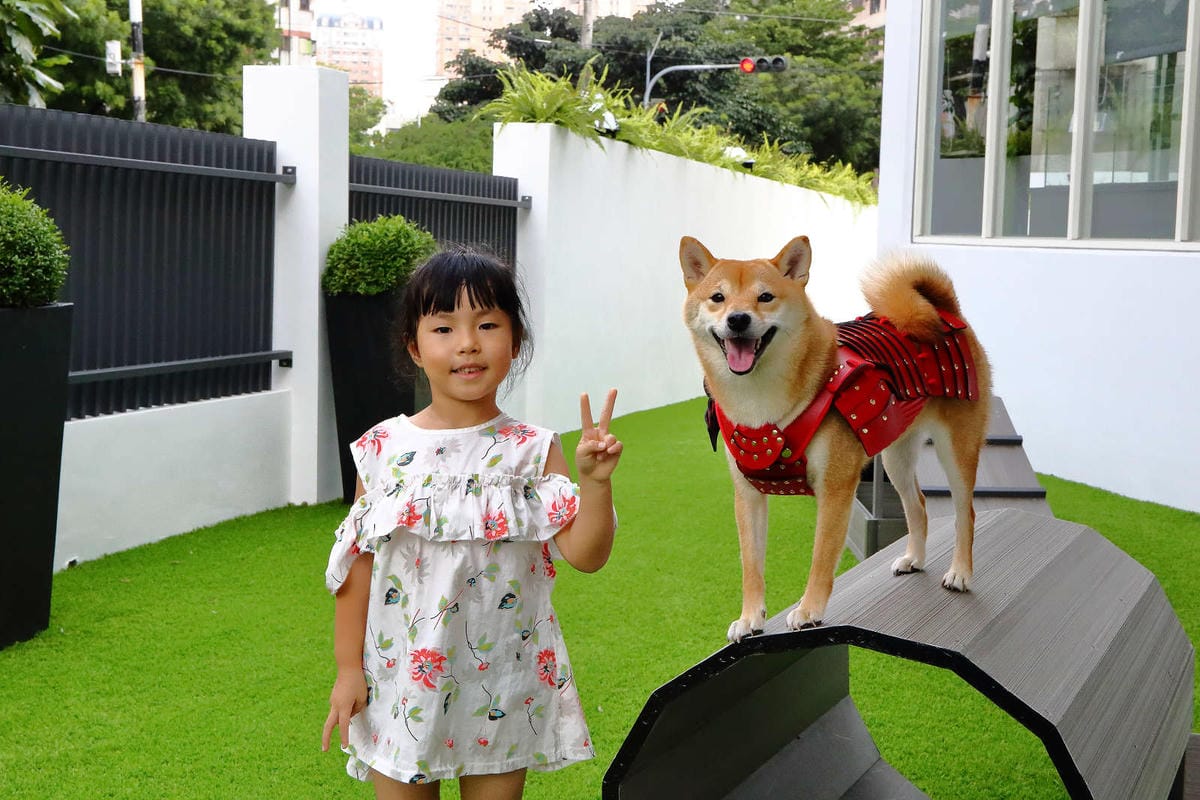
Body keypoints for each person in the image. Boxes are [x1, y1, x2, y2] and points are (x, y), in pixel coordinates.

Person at [320, 245, 623, 800]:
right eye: (444, 328)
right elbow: (354, 568)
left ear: (515, 341)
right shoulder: (384, 450)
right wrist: (347, 670)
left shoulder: (534, 451)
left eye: (487, 324)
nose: (467, 343)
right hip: (403, 677)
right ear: (414, 346)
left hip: (504, 681)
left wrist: (596, 485)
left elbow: (586, 555)